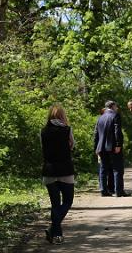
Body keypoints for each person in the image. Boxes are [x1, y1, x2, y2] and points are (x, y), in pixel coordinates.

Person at [41, 104, 75, 245]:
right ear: (62, 115)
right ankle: (54, 230)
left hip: (49, 170)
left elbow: (42, 147)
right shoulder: (67, 130)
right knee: (67, 201)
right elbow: (72, 146)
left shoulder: (43, 131)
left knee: (55, 204)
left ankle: (56, 234)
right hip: (65, 170)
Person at [94, 101, 130, 197]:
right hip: (113, 146)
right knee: (117, 168)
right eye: (116, 106)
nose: (117, 108)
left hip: (101, 147)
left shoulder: (100, 118)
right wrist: (118, 144)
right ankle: (119, 191)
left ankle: (103, 190)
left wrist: (96, 148)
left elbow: (96, 134)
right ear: (112, 106)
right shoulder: (115, 115)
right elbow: (117, 130)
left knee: (103, 169)